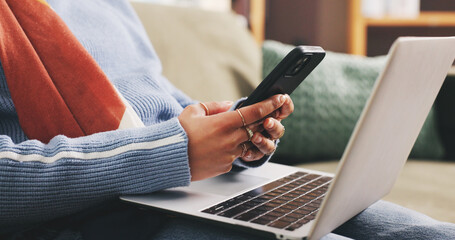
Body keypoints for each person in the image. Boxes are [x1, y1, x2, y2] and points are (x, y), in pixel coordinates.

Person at [0, 1, 454, 240]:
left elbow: (159, 100)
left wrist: (231, 130)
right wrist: (177, 151)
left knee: (425, 234)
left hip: (198, 186)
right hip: (100, 215)